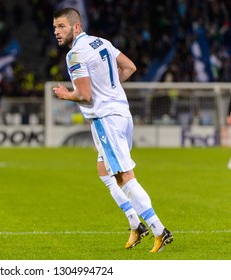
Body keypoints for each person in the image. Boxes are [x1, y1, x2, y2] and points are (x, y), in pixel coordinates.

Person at [52, 7, 173, 253]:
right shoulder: (101, 42)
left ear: (76, 27)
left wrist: (66, 95)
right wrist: (108, 90)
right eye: (55, 27)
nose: (56, 31)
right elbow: (129, 67)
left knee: (124, 176)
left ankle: (159, 229)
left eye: (62, 26)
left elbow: (85, 96)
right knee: (104, 172)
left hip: (106, 119)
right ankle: (134, 223)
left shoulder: (75, 55)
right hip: (122, 114)